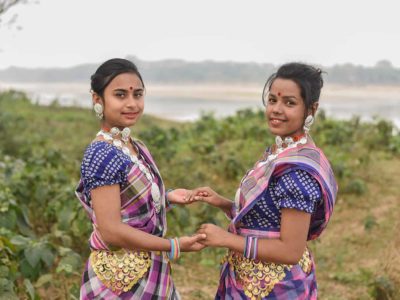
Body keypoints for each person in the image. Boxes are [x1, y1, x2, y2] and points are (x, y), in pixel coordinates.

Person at [190, 62, 338, 299]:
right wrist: (221, 202)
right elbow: (266, 216)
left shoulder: (297, 172)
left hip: (277, 287)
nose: (276, 109)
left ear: (311, 109)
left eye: (289, 103)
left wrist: (227, 239)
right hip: (247, 278)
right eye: (272, 100)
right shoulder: (279, 151)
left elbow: (290, 250)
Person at [75, 58, 205, 299]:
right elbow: (111, 230)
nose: (132, 104)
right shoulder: (102, 153)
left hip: (150, 268)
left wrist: (168, 199)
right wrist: (174, 245)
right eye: (120, 95)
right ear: (97, 99)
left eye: (138, 94)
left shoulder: (134, 146)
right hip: (118, 279)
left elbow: (127, 208)